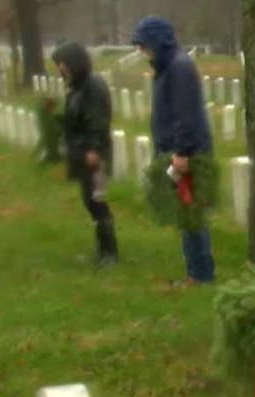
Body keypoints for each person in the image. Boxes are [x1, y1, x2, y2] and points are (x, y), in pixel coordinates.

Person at [132, 16, 217, 286]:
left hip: (185, 153)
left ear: (158, 42)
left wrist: (182, 152)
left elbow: (185, 114)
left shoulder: (179, 68)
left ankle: (201, 275)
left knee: (191, 214)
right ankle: (197, 271)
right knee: (187, 214)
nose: (142, 51)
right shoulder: (166, 67)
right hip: (174, 150)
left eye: (144, 44)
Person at [52, 41, 118, 266]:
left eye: (62, 63)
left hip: (93, 153)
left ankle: (110, 253)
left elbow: (98, 121)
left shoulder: (93, 86)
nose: (61, 69)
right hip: (81, 150)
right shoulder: (77, 86)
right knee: (89, 200)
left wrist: (94, 150)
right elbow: (77, 119)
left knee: (97, 200)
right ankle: (101, 250)